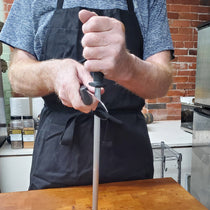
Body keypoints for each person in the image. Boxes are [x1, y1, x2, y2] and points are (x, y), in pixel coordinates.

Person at [0, 0, 174, 190]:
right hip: (57, 157)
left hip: (129, 157)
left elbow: (162, 82)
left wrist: (128, 67)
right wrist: (52, 74)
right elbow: (17, 75)